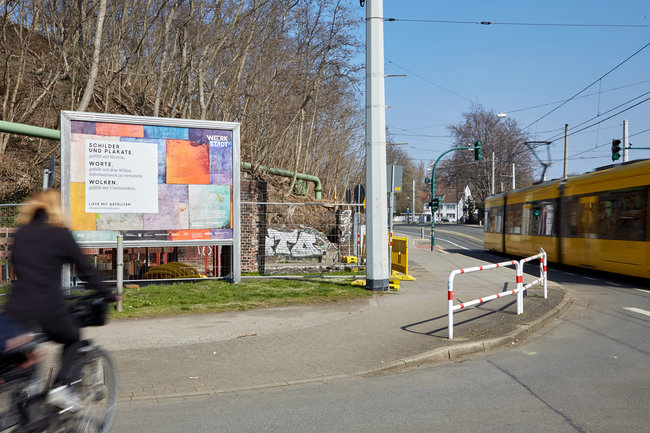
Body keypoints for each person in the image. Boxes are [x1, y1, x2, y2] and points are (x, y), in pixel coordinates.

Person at [3, 189, 116, 412]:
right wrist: (108, 293)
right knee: (73, 338)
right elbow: (86, 270)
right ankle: (62, 387)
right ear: (56, 208)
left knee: (22, 354)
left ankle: (28, 394)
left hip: (16, 310)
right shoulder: (60, 234)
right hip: (48, 309)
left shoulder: (21, 234)